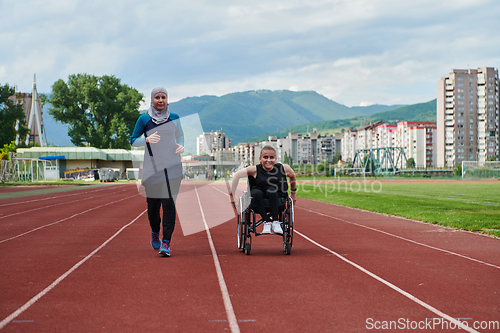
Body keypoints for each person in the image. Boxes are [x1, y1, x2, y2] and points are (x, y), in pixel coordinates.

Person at [130, 87, 184, 256]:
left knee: (169, 205)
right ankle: (155, 231)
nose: (161, 100)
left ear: (167, 99)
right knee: (153, 207)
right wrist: (145, 139)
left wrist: (181, 145)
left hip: (172, 167)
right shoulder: (144, 119)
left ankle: (166, 243)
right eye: (157, 97)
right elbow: (133, 141)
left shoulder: (175, 118)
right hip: (152, 168)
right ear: (152, 99)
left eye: (164, 97)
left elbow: (180, 135)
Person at [230, 145, 296, 234]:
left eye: (271, 157)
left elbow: (292, 176)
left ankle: (275, 222)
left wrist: (293, 193)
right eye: (265, 157)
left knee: (272, 190)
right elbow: (237, 175)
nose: (268, 160)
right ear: (260, 159)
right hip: (257, 199)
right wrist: (232, 196)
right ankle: (266, 222)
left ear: (275, 159)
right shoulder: (254, 170)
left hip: (276, 199)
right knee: (256, 192)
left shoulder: (283, 168)